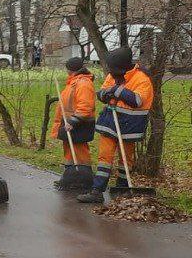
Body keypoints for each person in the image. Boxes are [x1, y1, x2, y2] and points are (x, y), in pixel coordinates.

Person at [77, 47, 153, 203]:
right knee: (104, 158)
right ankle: (97, 191)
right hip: (110, 123)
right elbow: (102, 93)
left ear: (124, 67)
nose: (112, 74)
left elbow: (137, 101)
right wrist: (112, 92)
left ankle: (123, 188)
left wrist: (116, 90)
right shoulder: (113, 75)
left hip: (130, 127)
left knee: (126, 160)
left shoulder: (142, 79)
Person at [50, 57, 95, 189]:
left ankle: (83, 179)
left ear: (71, 70)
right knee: (70, 153)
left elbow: (85, 106)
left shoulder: (83, 83)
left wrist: (73, 121)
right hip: (70, 122)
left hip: (79, 123)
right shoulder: (73, 82)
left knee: (80, 152)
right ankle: (70, 178)